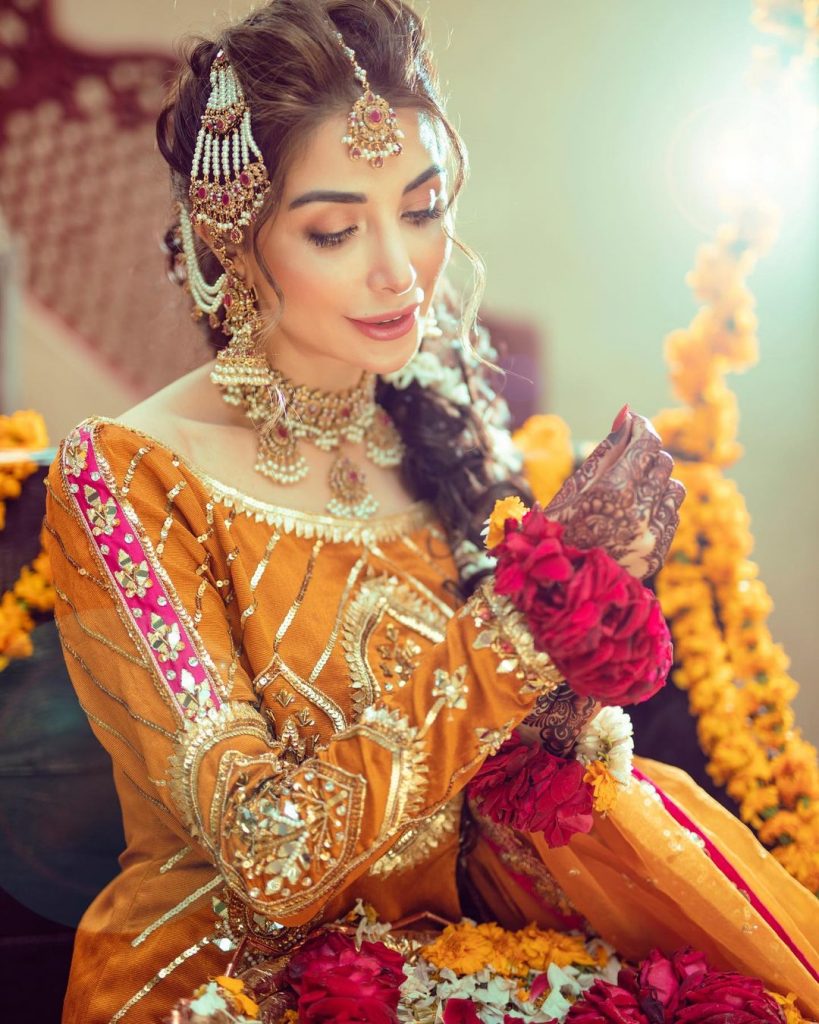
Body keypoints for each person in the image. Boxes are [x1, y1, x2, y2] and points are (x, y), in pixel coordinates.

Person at [42, 1, 818, 1021]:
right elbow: (273, 856)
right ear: (233, 235)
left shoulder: (447, 438)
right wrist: (519, 633)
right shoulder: (126, 475)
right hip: (213, 987)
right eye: (334, 229)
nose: (399, 271)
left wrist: (585, 618)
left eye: (421, 207)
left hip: (452, 960)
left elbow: (492, 796)